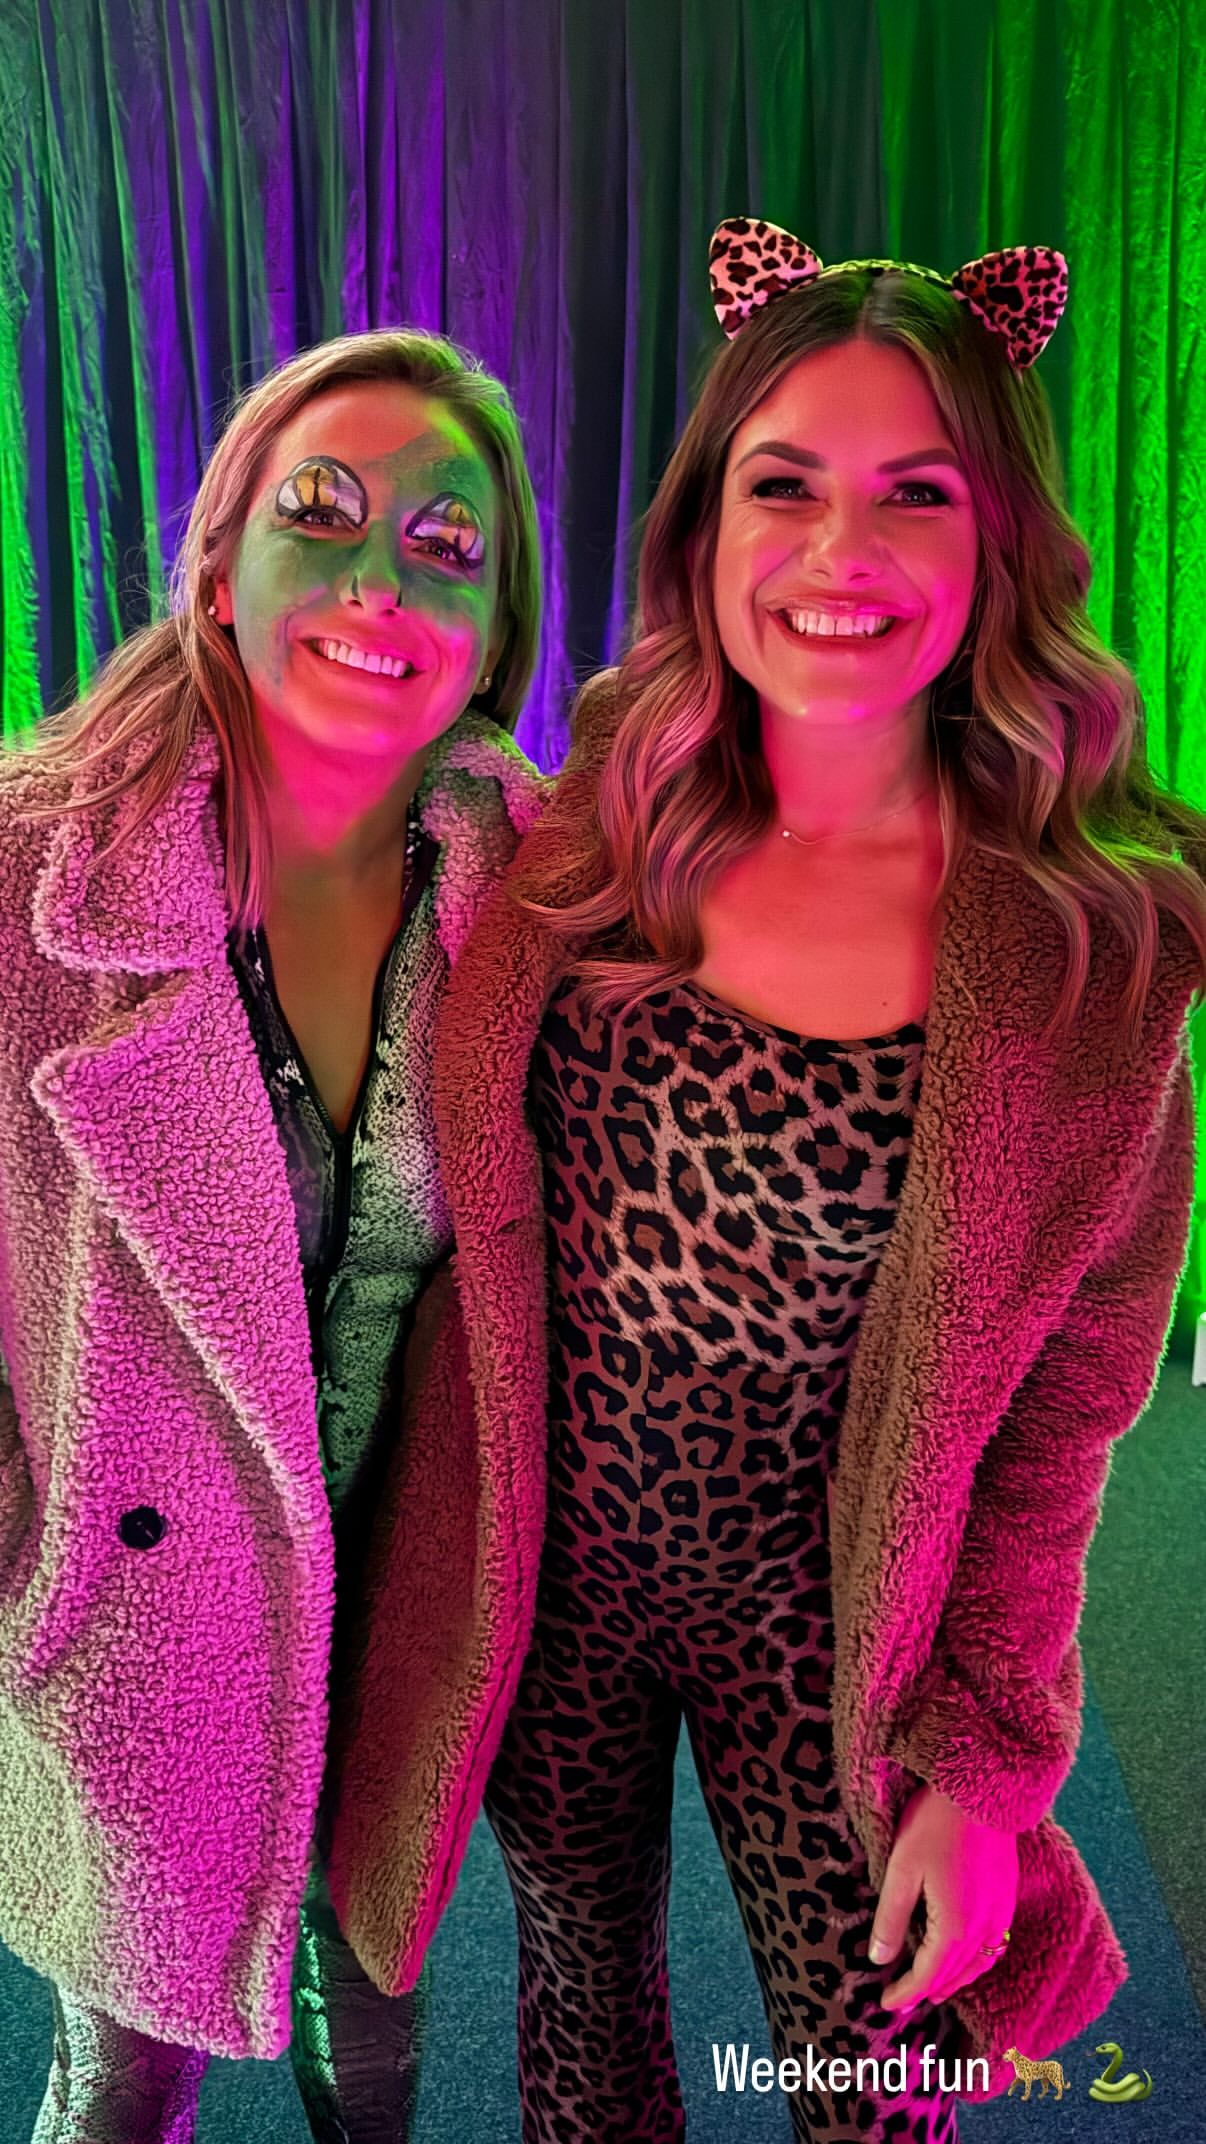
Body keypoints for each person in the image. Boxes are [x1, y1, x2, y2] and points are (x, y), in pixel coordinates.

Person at [333, 225, 1206, 2142]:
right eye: (783, 483)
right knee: (576, 1988)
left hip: (838, 1619)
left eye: (917, 493)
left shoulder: (1088, 951)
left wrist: (983, 1771)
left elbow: (1068, 1401)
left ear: (1003, 542)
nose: (839, 551)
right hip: (553, 1566)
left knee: (869, 2061)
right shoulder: (595, 827)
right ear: (705, 524)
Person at [0, 326, 547, 2142]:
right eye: (321, 511)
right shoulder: (23, 876)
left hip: (403, 1597)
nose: (383, 574)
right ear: (220, 569)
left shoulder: (538, 895)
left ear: (492, 633)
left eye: (447, 543)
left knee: (374, 2038)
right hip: (131, 1619)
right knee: (120, 2081)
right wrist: (23, 1565)